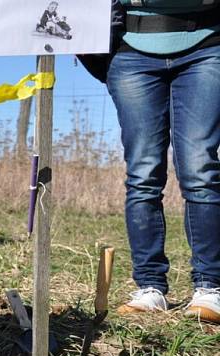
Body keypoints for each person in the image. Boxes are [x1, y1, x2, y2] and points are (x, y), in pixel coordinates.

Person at [103, 1, 220, 323]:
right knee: (142, 174)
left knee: (201, 169)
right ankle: (150, 287)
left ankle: (210, 287)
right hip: (130, 53)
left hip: (208, 45)